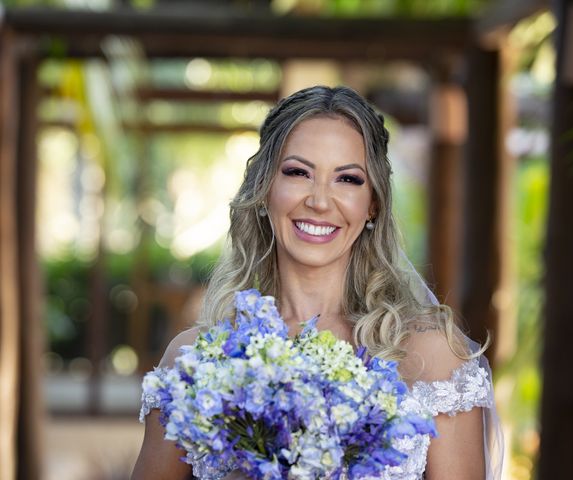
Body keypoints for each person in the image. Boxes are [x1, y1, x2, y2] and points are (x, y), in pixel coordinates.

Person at [132, 85, 503, 480]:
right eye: (298, 172)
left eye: (347, 179)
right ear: (264, 189)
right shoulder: (195, 361)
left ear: (372, 202)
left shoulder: (431, 358)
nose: (320, 201)